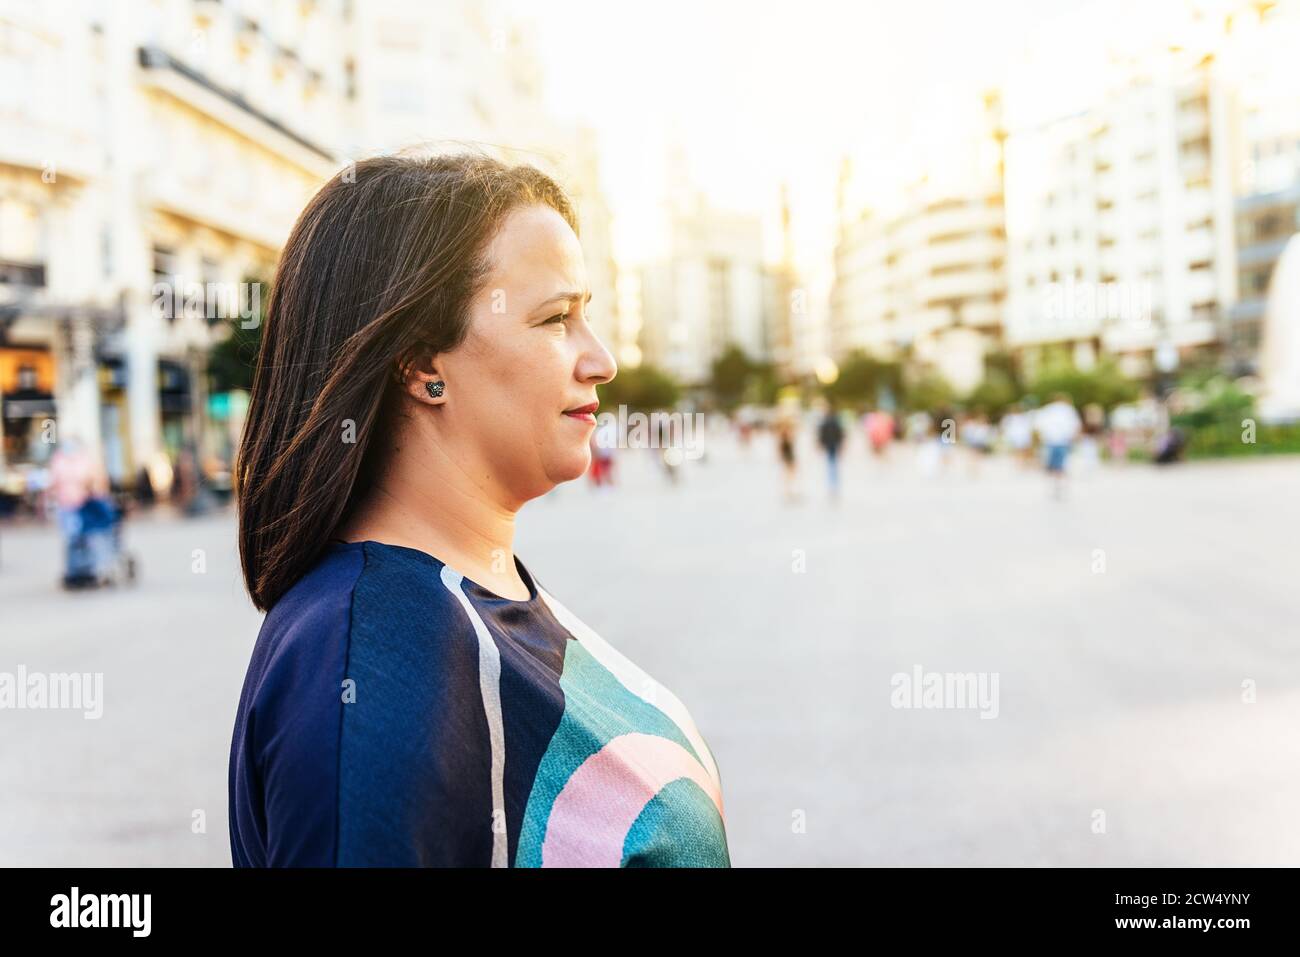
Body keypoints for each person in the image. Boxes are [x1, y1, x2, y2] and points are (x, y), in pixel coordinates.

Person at [229, 154, 730, 867]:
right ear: (421, 364)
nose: (603, 359)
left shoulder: (465, 599)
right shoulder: (374, 667)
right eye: (557, 317)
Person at [1034, 393, 1083, 499]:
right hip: (1063, 440)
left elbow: (1038, 425)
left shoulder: (1047, 409)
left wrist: (1040, 438)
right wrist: (1074, 437)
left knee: (1051, 464)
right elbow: (1075, 425)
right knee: (1061, 464)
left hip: (1049, 440)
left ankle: (1053, 484)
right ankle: (1059, 483)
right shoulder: (1068, 409)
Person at [817, 405, 845, 500]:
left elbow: (821, 435)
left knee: (831, 463)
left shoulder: (824, 422)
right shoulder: (836, 422)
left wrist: (820, 444)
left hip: (829, 445)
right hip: (834, 445)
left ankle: (832, 482)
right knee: (833, 463)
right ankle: (834, 482)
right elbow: (841, 434)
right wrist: (841, 445)